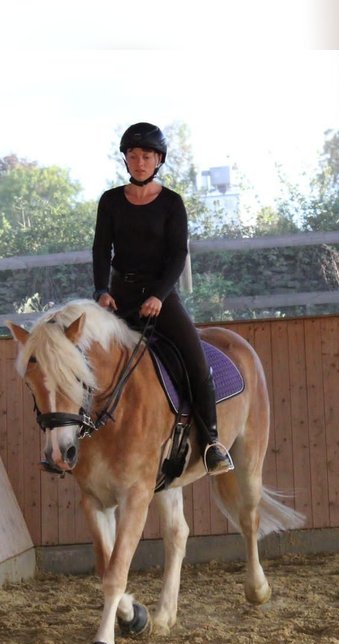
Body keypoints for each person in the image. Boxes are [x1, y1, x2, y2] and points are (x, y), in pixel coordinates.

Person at [92, 121, 234, 475]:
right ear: (125, 160)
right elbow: (100, 249)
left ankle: (214, 442)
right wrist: (101, 290)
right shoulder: (110, 201)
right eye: (133, 155)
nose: (139, 161)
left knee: (195, 359)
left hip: (160, 298)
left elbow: (177, 255)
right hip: (119, 296)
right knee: (89, 357)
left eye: (146, 156)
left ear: (158, 160)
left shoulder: (172, 203)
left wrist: (158, 295)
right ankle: (84, 434)